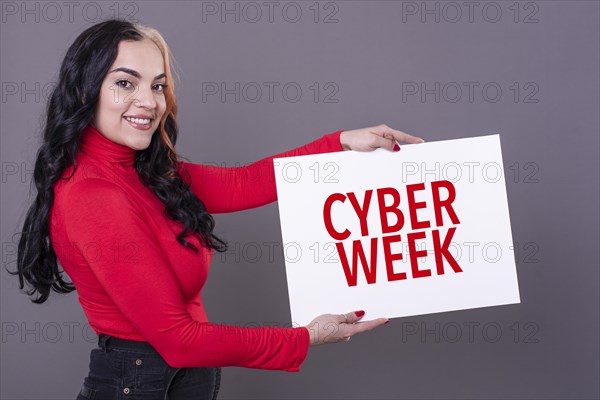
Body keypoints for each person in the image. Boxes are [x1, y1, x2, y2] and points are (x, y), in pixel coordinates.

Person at [10, 19, 424, 399]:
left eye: (157, 86)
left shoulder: (147, 172)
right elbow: (179, 340)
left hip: (172, 379)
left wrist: (342, 144)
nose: (149, 102)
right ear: (85, 90)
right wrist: (306, 338)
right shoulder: (92, 195)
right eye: (125, 83)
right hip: (140, 382)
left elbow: (244, 183)